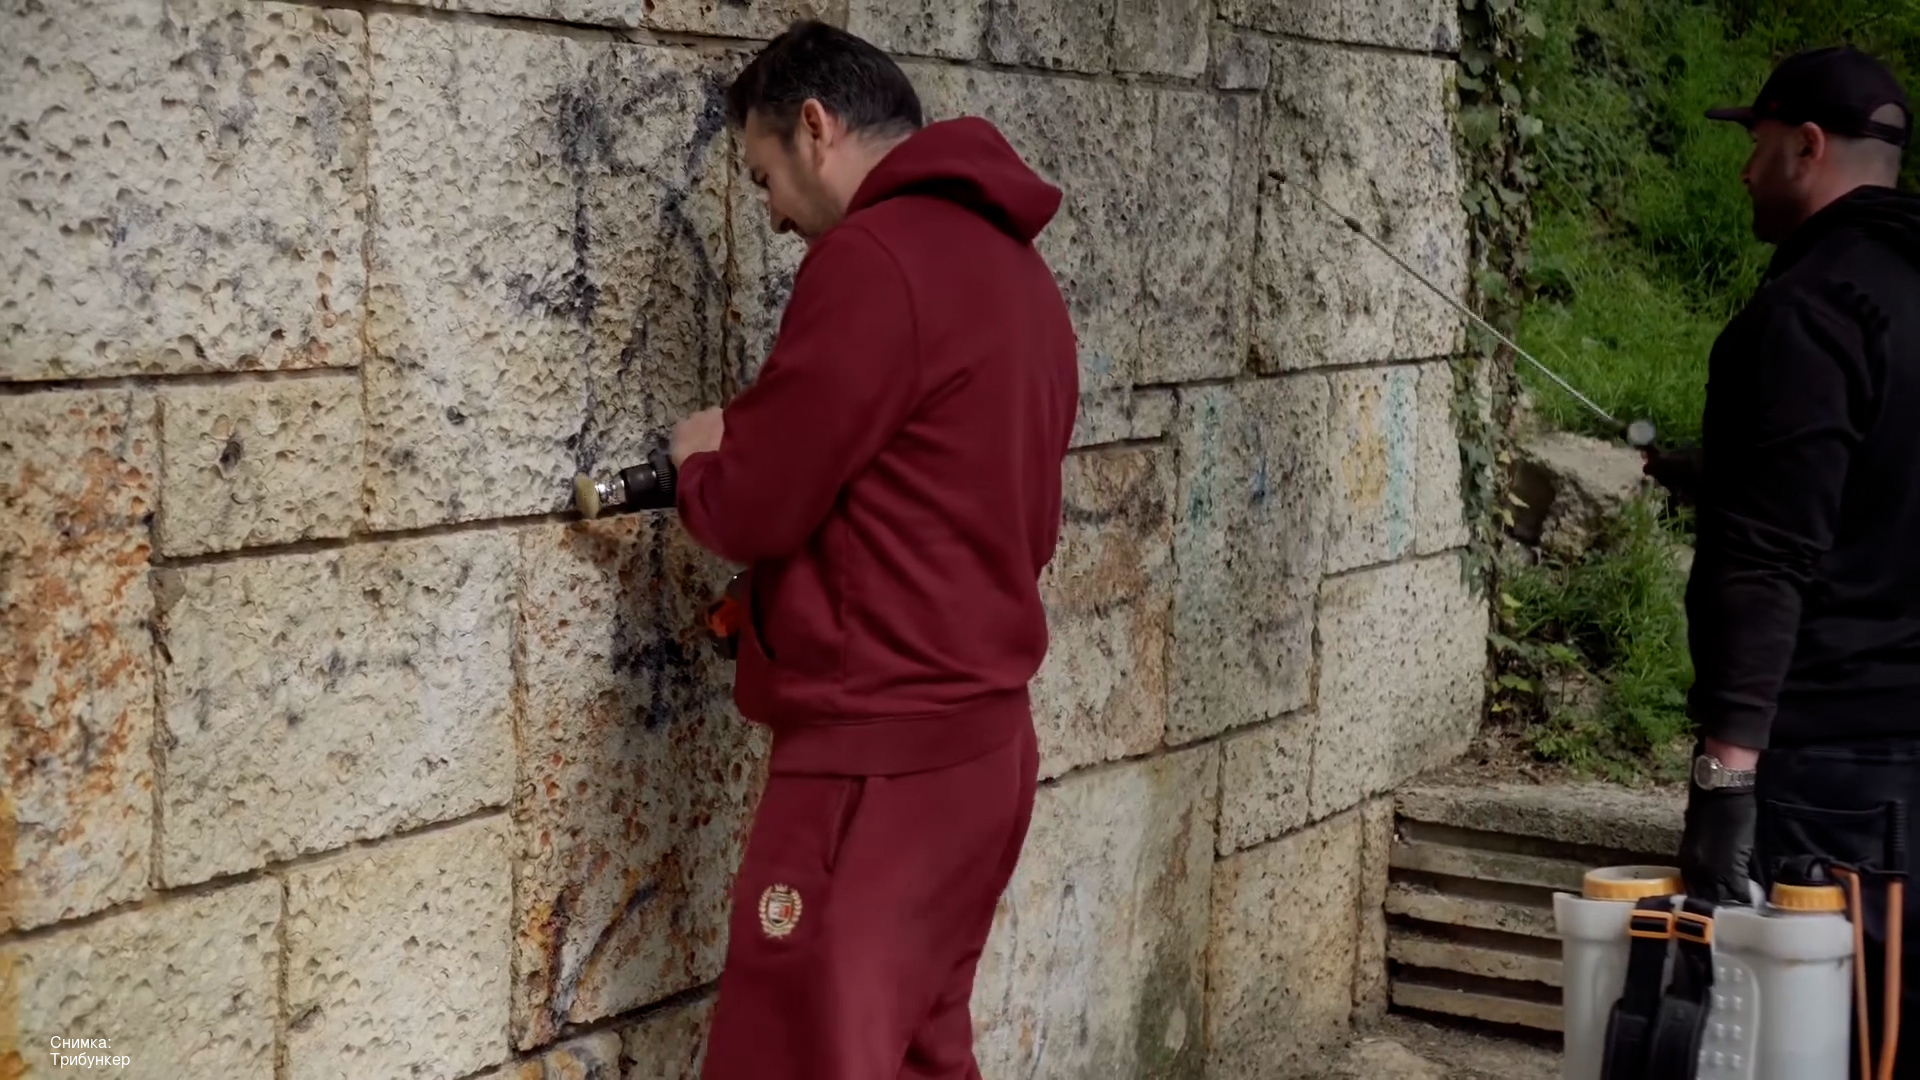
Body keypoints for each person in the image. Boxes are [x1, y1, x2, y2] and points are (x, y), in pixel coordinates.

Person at [663, 20, 1079, 1080]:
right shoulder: (1020, 275)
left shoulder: (874, 261)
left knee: (793, 1055)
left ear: (816, 126)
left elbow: (757, 506)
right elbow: (1017, 519)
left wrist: (702, 461)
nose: (770, 213)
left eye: (764, 177)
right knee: (918, 1054)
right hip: (986, 750)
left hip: (876, 763)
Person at [1664, 44, 1919, 1077]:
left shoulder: (1809, 310)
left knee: (1814, 1050)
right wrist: (1730, 470)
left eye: (1759, 144)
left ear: (1808, 146)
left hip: (1837, 783)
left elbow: (1767, 562)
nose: (1745, 169)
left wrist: (1724, 779)